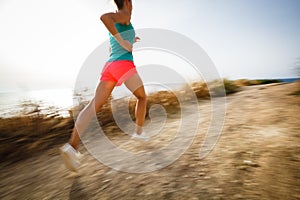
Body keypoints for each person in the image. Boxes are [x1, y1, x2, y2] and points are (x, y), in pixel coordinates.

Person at [60, 0, 148, 172]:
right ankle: (138, 133)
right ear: (128, 2)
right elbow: (104, 17)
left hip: (110, 66)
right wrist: (123, 42)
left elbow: (114, 41)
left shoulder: (122, 20)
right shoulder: (124, 14)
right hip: (123, 64)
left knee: (93, 105)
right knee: (142, 97)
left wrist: (130, 39)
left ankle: (72, 146)